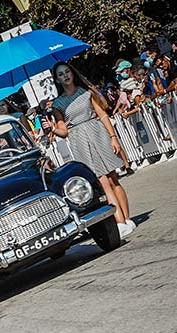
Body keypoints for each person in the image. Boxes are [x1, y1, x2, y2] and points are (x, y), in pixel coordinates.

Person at [51, 63, 134, 238]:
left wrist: (113, 137)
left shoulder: (86, 92)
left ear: (72, 73)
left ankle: (127, 219)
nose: (65, 76)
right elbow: (63, 132)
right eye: (60, 74)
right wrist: (52, 128)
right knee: (102, 182)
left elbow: (102, 114)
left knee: (113, 179)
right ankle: (119, 223)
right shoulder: (57, 104)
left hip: (98, 133)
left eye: (67, 72)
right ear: (57, 79)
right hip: (78, 139)